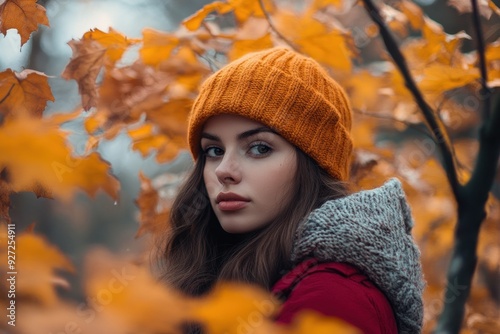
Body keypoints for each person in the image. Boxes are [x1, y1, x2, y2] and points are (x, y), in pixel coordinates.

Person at [157, 47, 425, 333]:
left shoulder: (331, 299)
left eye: (260, 148)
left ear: (312, 166)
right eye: (214, 150)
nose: (224, 169)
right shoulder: (224, 277)